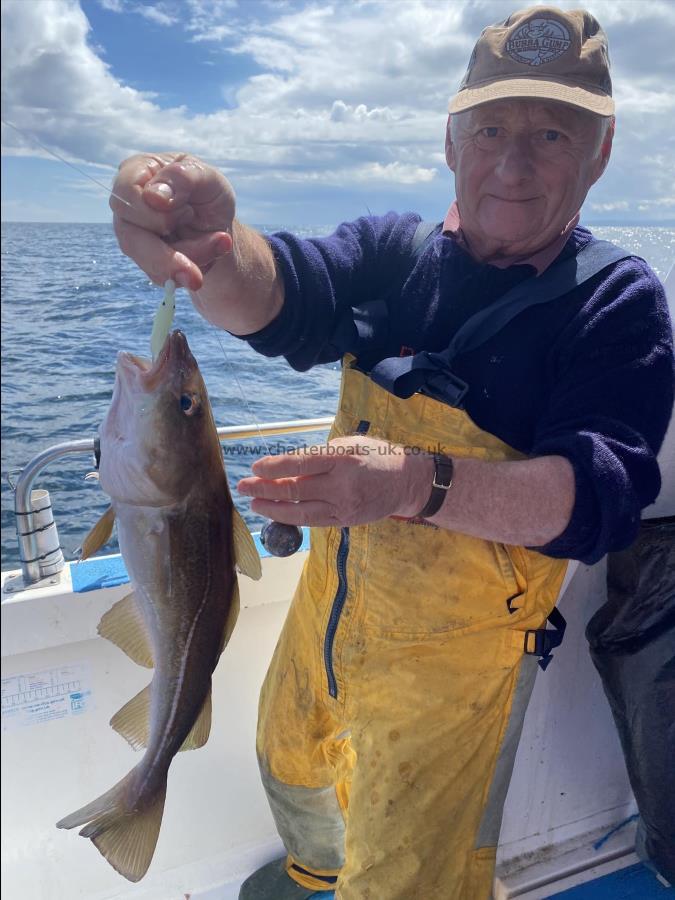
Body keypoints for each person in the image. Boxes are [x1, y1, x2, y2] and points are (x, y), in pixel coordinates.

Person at [110, 5, 674, 899]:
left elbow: (595, 500)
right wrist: (210, 248)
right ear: (450, 140)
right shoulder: (393, 252)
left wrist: (417, 482)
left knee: (414, 873)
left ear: (599, 153)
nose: (512, 161)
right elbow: (278, 294)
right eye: (488, 127)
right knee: (292, 772)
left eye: (552, 132)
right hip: (323, 630)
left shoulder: (615, 304)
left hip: (455, 674)